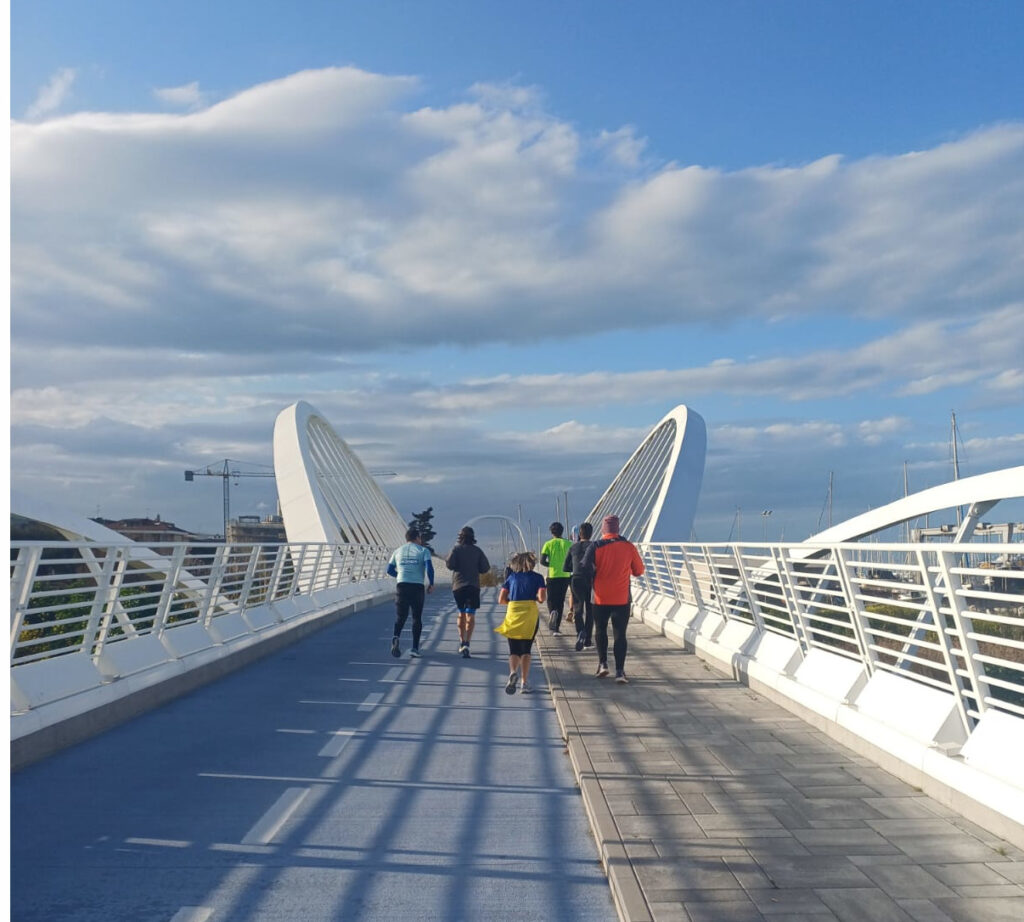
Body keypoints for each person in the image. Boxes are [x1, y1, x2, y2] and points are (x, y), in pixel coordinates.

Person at [582, 515, 644, 683]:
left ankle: (603, 664)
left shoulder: (595, 546)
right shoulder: (629, 547)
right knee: (620, 634)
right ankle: (620, 671)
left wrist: (595, 576)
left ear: (603, 529)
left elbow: (584, 568)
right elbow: (639, 571)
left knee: (600, 630)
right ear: (618, 529)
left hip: (600, 597)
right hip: (621, 598)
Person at [495, 551, 546, 694]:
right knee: (526, 649)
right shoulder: (538, 578)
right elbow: (542, 598)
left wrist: (512, 602)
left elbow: (501, 600)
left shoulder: (511, 578)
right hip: (529, 613)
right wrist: (535, 598)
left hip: (513, 611)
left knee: (514, 649)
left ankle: (512, 672)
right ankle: (524, 682)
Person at [386, 528, 435, 658]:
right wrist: (431, 583)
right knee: (416, 617)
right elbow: (429, 568)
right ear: (417, 538)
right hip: (417, 586)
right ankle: (414, 648)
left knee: (401, 616)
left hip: (401, 585)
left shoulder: (398, 551)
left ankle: (396, 637)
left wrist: (400, 575)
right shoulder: (423, 551)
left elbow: (389, 569)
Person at [445, 525, 491, 658]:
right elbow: (485, 568)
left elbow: (449, 565)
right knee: (470, 615)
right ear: (473, 537)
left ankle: (461, 641)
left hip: (458, 586)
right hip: (473, 586)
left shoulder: (456, 549)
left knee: (461, 613)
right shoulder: (477, 551)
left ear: (460, 537)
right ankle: (467, 643)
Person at [563, 522, 595, 652]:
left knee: (578, 609)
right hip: (590, 579)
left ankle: (580, 632)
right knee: (590, 610)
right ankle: (587, 640)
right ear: (591, 534)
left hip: (576, 579)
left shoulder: (573, 548)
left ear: (578, 534)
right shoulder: (595, 546)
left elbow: (565, 567)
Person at [540, 522, 572, 634]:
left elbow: (542, 561)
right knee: (560, 601)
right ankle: (557, 628)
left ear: (551, 532)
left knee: (551, 599)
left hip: (552, 575)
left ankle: (552, 612)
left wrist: (552, 564)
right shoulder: (569, 543)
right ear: (562, 531)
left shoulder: (548, 544)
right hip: (565, 575)